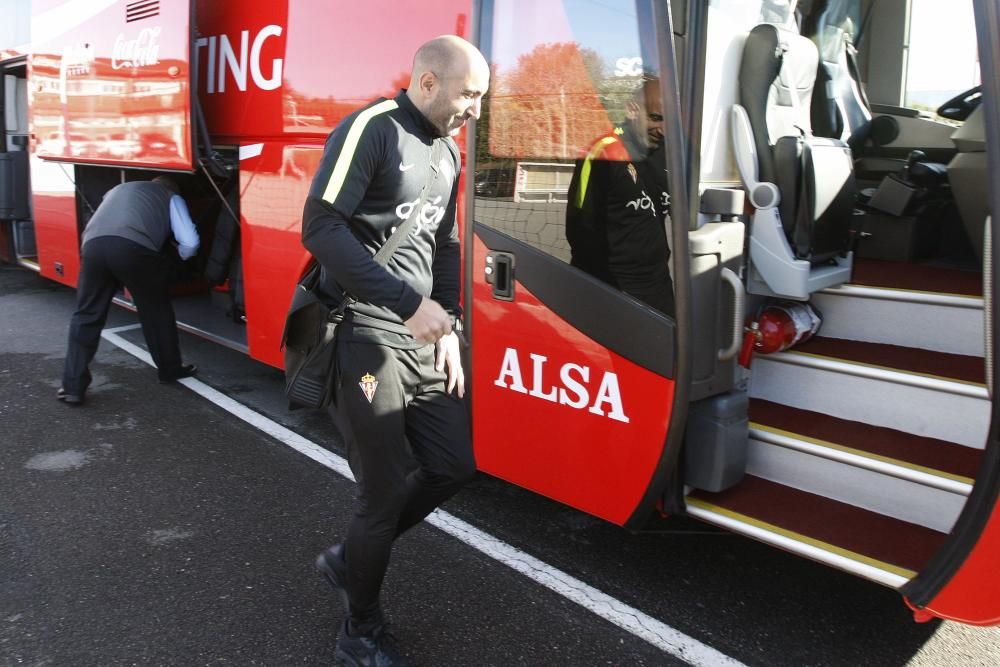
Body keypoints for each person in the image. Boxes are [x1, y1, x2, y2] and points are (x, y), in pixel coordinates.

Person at [301, 35, 489, 666]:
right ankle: (359, 632)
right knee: (381, 494)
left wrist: (452, 329)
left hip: (424, 338)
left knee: (453, 466)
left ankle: (350, 560)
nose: (475, 111)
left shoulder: (450, 152)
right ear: (429, 82)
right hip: (364, 332)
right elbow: (321, 228)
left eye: (482, 99)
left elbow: (448, 246)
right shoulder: (373, 127)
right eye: (469, 95)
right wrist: (409, 306)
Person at [59, 176, 200, 404]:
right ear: (173, 188)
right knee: (155, 310)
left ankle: (72, 387)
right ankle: (169, 369)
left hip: (93, 247)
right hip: (133, 248)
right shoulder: (170, 196)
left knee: (86, 316)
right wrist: (180, 260)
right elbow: (190, 242)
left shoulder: (116, 189)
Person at [565, 77, 675, 316]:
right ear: (632, 110)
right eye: (655, 118)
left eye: (669, 120)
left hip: (659, 287)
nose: (663, 129)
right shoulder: (603, 152)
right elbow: (579, 228)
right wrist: (602, 292)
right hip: (614, 289)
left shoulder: (667, 152)